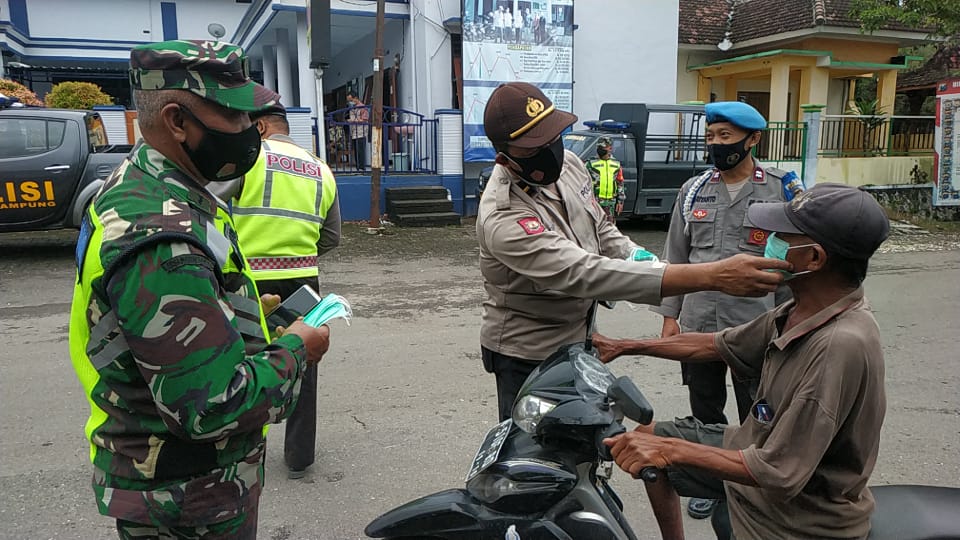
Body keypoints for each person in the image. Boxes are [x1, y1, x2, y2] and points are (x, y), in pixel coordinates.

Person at [68, 40, 331, 539]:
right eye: (234, 117)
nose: (250, 133)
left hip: (180, 479)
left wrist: (238, 317)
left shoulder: (151, 185)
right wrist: (299, 349)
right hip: (187, 496)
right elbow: (212, 406)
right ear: (177, 121)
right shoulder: (160, 235)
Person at [477, 82, 792, 421]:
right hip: (525, 353)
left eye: (554, 135)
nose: (552, 148)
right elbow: (585, 273)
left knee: (582, 436)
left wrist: (636, 256)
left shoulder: (567, 165)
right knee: (534, 453)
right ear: (503, 156)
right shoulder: (503, 215)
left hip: (579, 338)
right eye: (536, 146)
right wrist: (711, 277)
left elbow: (600, 227)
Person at [595, 183, 890, 540]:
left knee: (660, 448)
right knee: (648, 437)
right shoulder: (800, 309)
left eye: (782, 236)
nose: (768, 240)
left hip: (795, 517)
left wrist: (671, 450)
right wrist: (624, 346)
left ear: (814, 258)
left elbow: (780, 472)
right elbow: (716, 345)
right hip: (753, 448)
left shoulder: (837, 345)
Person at [651, 100, 796, 520]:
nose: (716, 145)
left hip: (757, 324)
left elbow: (794, 260)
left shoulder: (782, 188)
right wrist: (669, 318)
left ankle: (751, 482)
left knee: (758, 407)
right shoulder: (693, 190)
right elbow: (674, 258)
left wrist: (792, 321)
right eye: (711, 137)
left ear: (753, 139)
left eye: (725, 137)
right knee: (704, 404)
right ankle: (708, 481)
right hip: (699, 323)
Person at [210, 102, 341, 480]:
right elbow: (331, 236)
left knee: (240, 365)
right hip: (304, 279)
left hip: (247, 282)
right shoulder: (321, 168)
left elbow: (210, 207)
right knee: (304, 358)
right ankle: (299, 457)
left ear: (261, 126)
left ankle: (244, 451)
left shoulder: (247, 158)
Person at [587, 137, 626, 224]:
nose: (601, 150)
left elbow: (620, 183)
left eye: (604, 147)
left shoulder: (616, 164)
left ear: (610, 148)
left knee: (610, 230)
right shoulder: (590, 164)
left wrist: (620, 201)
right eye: (599, 148)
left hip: (610, 204)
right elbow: (583, 184)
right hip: (595, 203)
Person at [346, 91, 369, 171]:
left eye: (350, 100)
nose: (350, 102)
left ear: (355, 98)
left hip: (361, 131)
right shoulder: (352, 108)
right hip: (354, 132)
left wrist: (353, 120)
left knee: (360, 150)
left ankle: (362, 168)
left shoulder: (362, 107)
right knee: (356, 151)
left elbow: (365, 119)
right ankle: (358, 167)